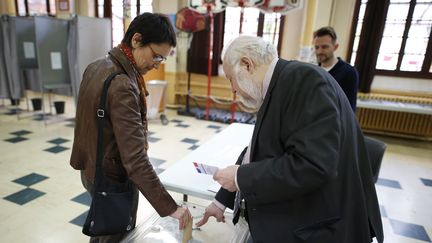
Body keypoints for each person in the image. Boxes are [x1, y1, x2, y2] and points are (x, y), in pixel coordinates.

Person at [196, 36, 383, 243]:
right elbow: (259, 148)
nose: (233, 89)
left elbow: (313, 165)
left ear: (246, 64)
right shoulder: (282, 82)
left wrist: (240, 177)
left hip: (319, 226)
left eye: (231, 78)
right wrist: (222, 199)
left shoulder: (305, 81)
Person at [70, 13, 191, 242]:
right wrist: (170, 207)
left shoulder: (96, 66)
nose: (156, 65)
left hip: (91, 169)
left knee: (102, 229)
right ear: (136, 40)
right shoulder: (123, 83)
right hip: (112, 177)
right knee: (114, 236)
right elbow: (134, 159)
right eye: (155, 57)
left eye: (161, 60)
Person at [313, 26, 359, 112]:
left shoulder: (349, 72)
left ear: (335, 47)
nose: (319, 51)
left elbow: (349, 109)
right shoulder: (314, 71)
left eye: (324, 47)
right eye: (316, 47)